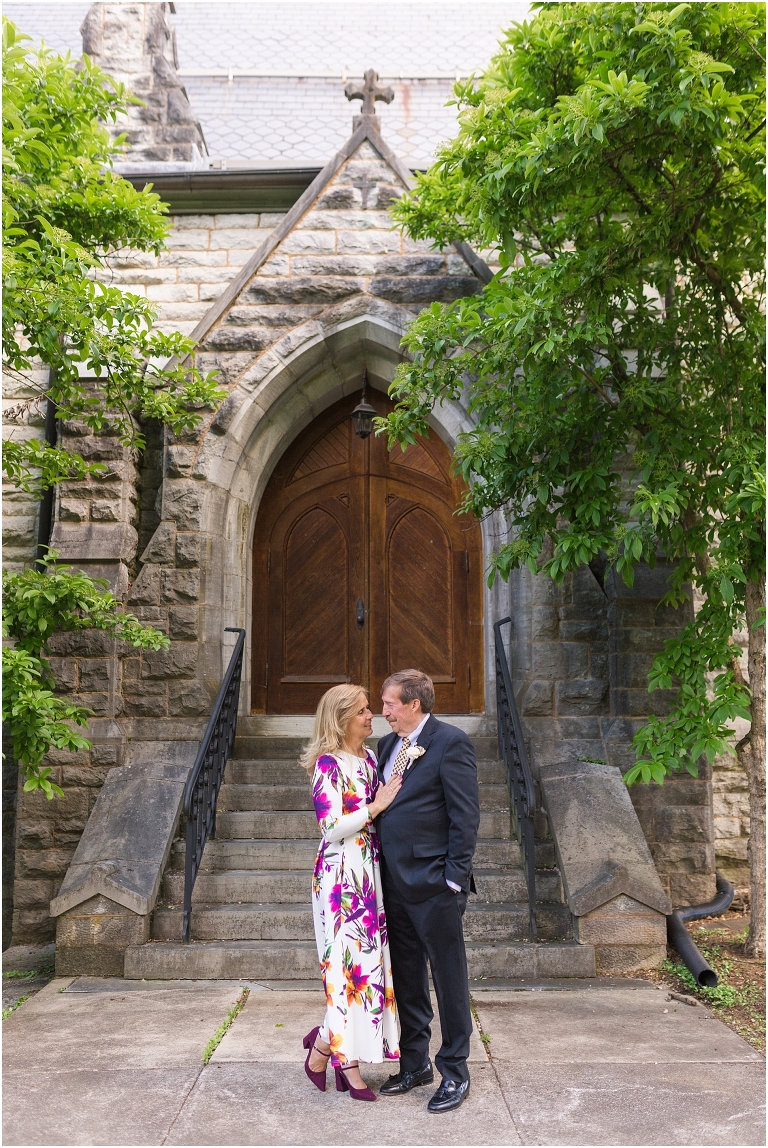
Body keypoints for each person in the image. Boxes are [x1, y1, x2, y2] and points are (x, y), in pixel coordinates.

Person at [374, 669, 480, 1113]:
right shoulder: (386, 745)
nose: (384, 711)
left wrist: (453, 878)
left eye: (390, 703)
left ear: (414, 704)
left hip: (435, 883)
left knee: (448, 978)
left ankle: (455, 1070)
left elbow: (465, 815)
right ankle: (415, 1063)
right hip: (392, 883)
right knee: (408, 975)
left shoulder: (450, 743)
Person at [300, 684, 402, 1101]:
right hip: (341, 875)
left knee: (368, 968)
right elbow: (330, 826)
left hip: (369, 872)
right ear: (342, 719)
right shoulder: (328, 765)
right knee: (346, 970)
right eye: (362, 711)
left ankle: (323, 1046)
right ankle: (347, 1063)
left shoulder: (371, 758)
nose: (370, 715)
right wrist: (375, 807)